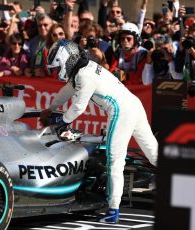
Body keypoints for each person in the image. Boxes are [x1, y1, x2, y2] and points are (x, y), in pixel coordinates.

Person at [40, 39, 158, 224]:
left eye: (57, 67)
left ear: (66, 61)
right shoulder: (84, 69)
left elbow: (78, 107)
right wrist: (51, 108)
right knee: (153, 152)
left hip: (121, 111)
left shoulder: (84, 76)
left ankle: (113, 210)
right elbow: (66, 91)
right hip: (134, 104)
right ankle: (180, 177)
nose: (57, 71)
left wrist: (62, 121)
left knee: (114, 159)